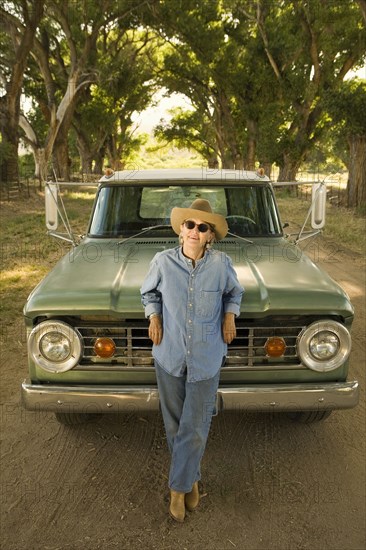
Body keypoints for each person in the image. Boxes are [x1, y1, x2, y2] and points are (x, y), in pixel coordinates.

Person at [140, 198, 244, 522]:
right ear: (181, 230)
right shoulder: (161, 261)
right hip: (169, 354)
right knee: (175, 424)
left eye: (203, 227)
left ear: (210, 235)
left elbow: (234, 293)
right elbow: (149, 293)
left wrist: (230, 316)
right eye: (190, 225)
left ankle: (177, 488)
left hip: (207, 355)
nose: (195, 231)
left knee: (195, 427)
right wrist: (153, 317)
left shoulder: (222, 264)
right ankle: (192, 479)